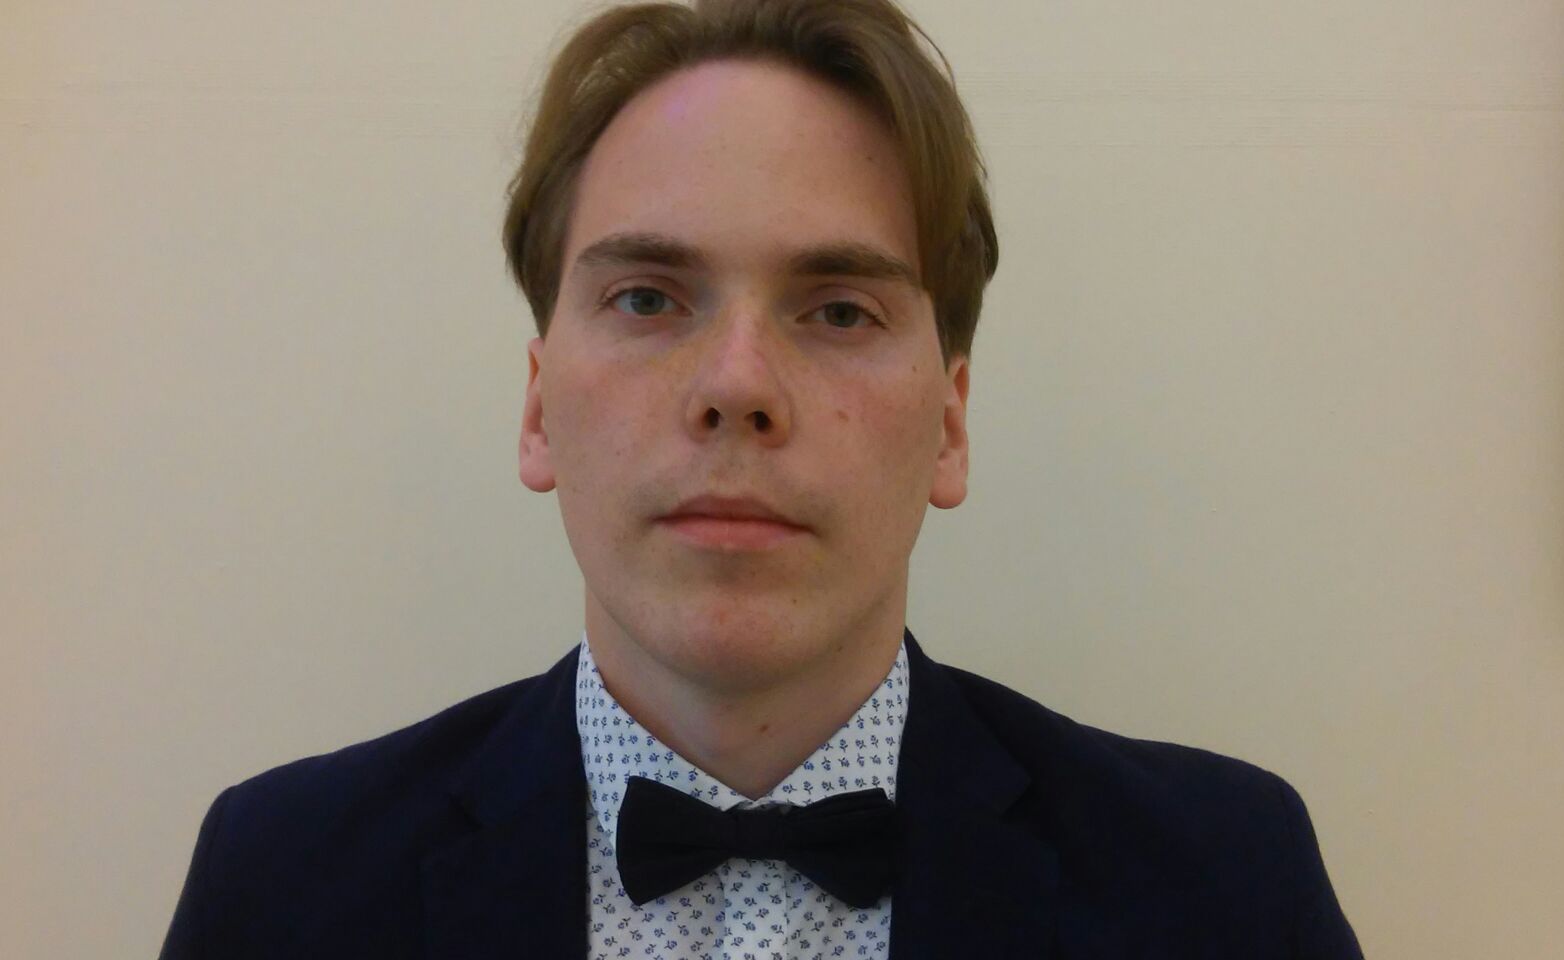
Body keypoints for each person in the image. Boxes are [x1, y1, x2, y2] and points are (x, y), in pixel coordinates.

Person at [159, 0, 1364, 957]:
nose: (737, 385)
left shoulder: (1226, 884)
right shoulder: (281, 884)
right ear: (536, 409)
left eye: (837, 310)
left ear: (948, 426)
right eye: (647, 298)